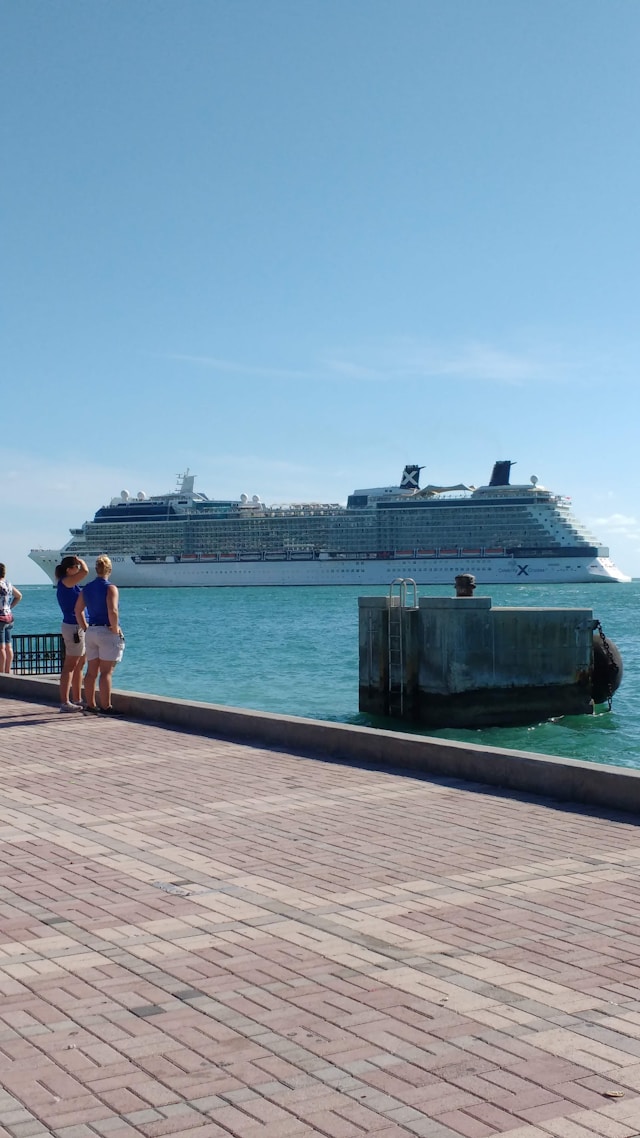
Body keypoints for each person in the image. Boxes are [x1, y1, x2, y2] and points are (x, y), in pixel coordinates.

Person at [74, 556, 125, 714]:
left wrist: (85, 627)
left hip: (92, 631)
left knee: (91, 671)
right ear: (109, 570)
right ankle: (106, 706)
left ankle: (90, 704)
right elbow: (113, 610)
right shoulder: (111, 588)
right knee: (106, 672)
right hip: (106, 631)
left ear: (96, 569)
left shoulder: (86, 588)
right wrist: (115, 628)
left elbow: (78, 610)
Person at [54, 555, 89, 711]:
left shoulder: (69, 583)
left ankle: (77, 698)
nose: (79, 569)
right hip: (73, 627)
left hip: (79, 626)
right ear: (69, 570)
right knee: (70, 665)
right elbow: (86, 572)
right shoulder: (66, 582)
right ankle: (65, 701)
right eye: (76, 567)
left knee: (80, 664)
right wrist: (80, 559)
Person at [0, 564, 22, 674]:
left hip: (0, 618)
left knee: (1, 648)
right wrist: (10, 607)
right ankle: (8, 672)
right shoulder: (8, 584)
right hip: (9, 617)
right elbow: (19, 596)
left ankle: (2, 673)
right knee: (9, 646)